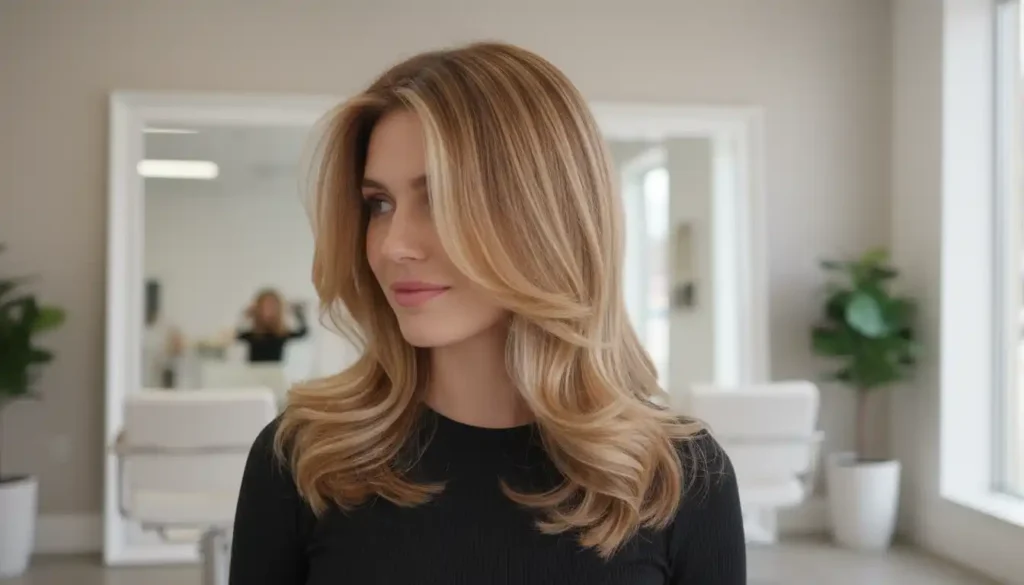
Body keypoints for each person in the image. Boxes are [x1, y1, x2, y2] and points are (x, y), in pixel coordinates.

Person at [229, 42, 745, 585]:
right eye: (380, 204)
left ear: (546, 216)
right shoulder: (305, 461)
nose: (392, 245)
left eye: (439, 199)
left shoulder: (679, 477)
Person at [235, 288, 308, 363]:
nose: (268, 310)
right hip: (254, 370)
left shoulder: (283, 335)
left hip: (277, 370)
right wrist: (245, 317)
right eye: (264, 306)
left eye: (272, 306)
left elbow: (303, 332)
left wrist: (298, 313)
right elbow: (235, 335)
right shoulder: (252, 336)